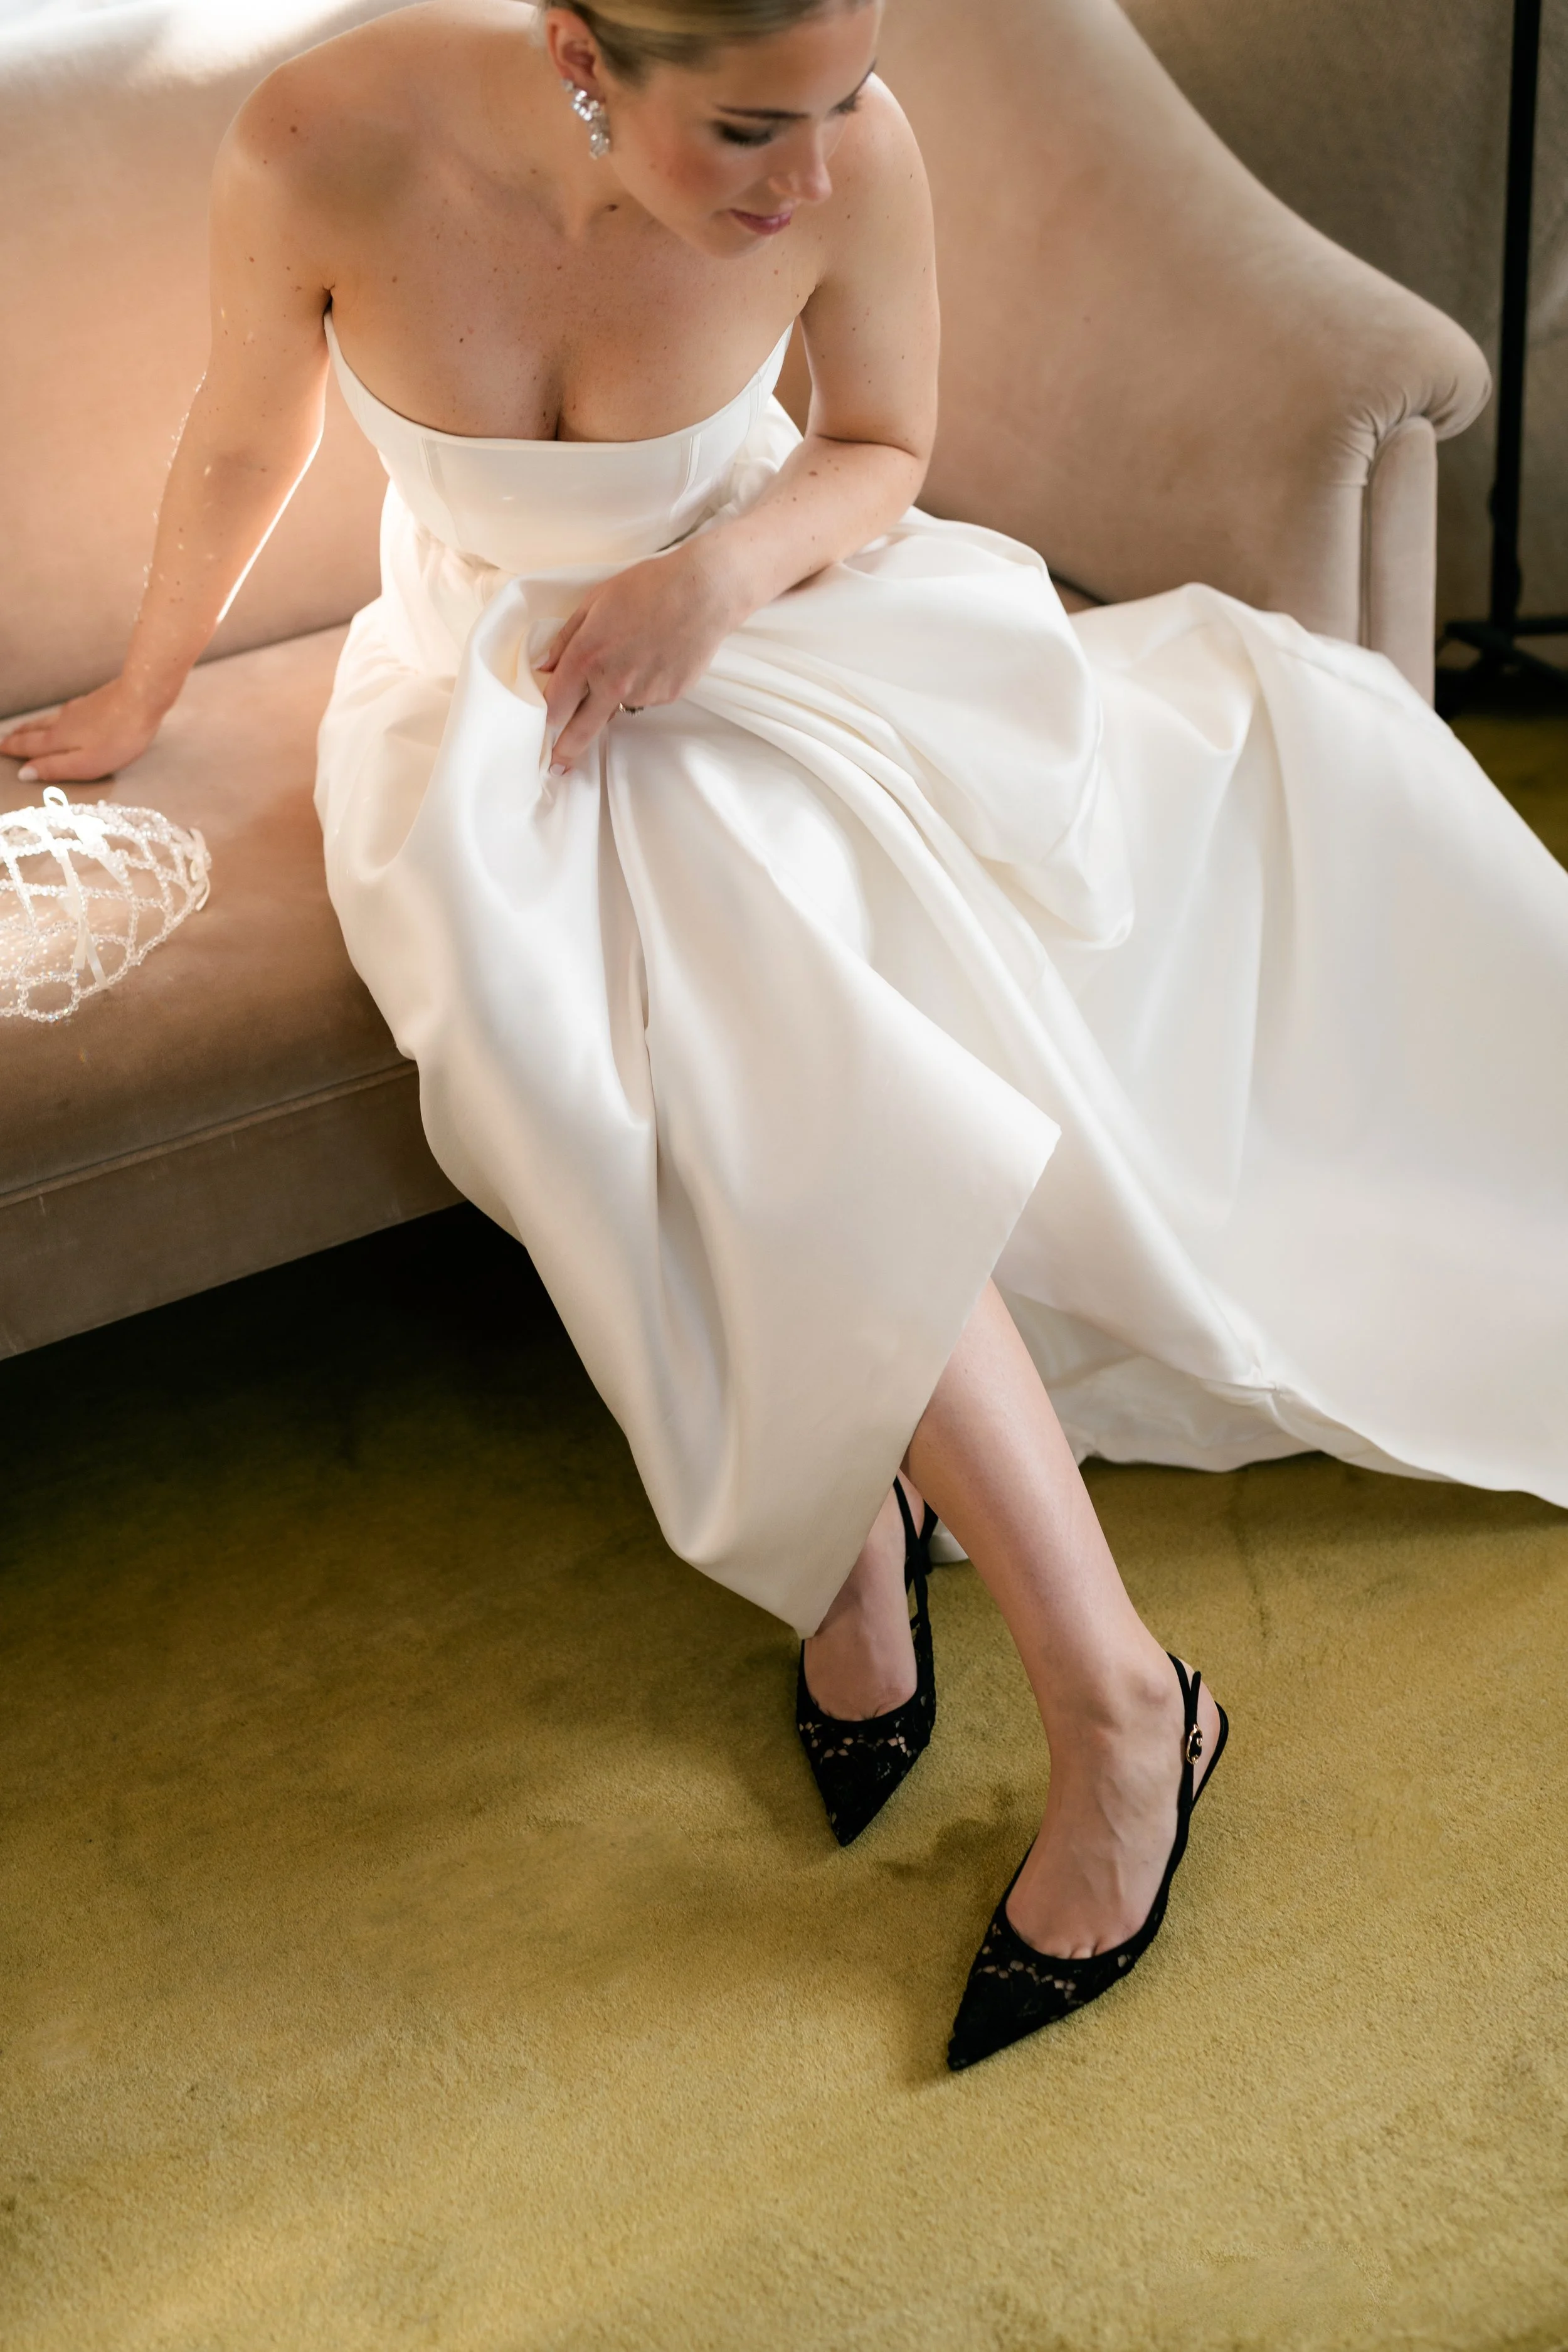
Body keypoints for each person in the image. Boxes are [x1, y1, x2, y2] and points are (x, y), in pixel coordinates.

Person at [6, 0, 1565, 2070]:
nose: (816, 169)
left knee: (746, 959)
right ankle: (958, 1596)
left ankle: (1067, 1674)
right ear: (581, 52)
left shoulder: (858, 156)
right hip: (481, 686)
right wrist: (142, 692)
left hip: (778, 625)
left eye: (844, 100)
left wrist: (712, 580)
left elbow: (879, 452)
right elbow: (240, 432)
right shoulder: (322, 134)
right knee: (625, 986)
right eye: (754, 123)